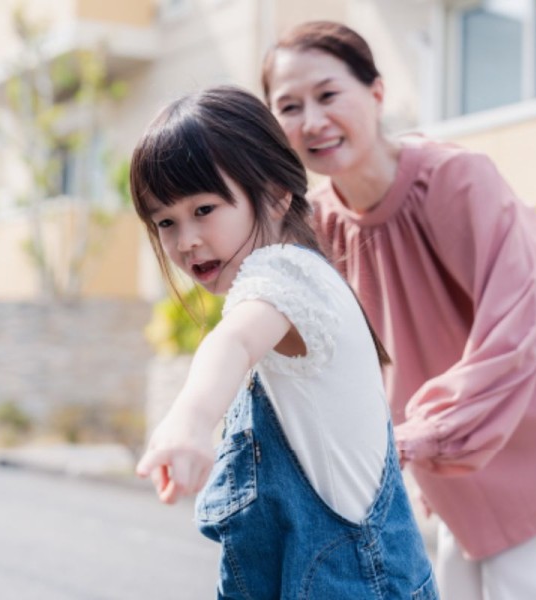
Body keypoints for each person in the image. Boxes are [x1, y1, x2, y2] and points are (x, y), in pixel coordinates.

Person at [261, 20, 536, 600]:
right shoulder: (320, 225)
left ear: (376, 93)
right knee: (472, 577)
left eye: (328, 95)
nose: (313, 121)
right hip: (476, 422)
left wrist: (416, 439)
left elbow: (515, 330)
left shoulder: (452, 179)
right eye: (290, 107)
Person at [130, 85, 438, 599]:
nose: (186, 240)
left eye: (204, 209)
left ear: (275, 193)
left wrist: (190, 421)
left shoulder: (285, 275)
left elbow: (232, 341)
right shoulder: (301, 280)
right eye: (166, 221)